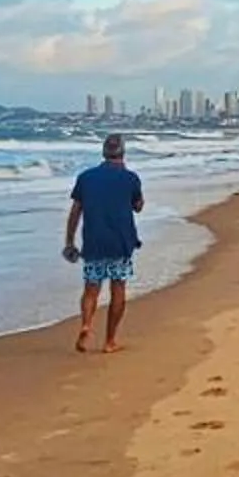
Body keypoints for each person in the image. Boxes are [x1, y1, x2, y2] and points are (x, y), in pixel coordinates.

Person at [62, 134, 143, 353]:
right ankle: (110, 341)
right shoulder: (130, 178)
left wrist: (69, 241)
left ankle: (86, 324)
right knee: (118, 288)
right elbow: (138, 206)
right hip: (120, 243)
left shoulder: (86, 177)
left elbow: (75, 211)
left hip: (93, 242)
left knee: (91, 289)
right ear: (122, 153)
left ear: (104, 153)